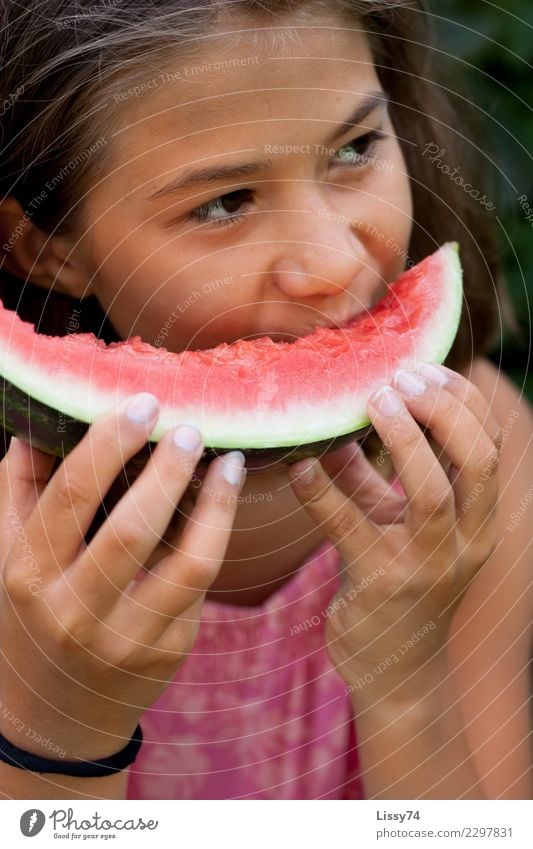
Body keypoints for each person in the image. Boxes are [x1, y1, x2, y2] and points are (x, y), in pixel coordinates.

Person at [0, 0, 531, 801]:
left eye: (354, 148)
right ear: (47, 250)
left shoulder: (473, 449)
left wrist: (404, 674)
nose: (329, 261)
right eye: (225, 202)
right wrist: (60, 731)